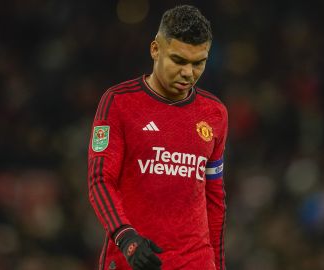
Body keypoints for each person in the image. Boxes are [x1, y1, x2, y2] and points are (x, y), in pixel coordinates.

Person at [87, 5, 228, 270]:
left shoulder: (215, 113)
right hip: (133, 258)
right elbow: (100, 180)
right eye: (179, 60)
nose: (188, 73)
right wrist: (126, 237)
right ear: (155, 49)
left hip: (195, 262)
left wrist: (218, 265)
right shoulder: (119, 102)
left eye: (199, 63)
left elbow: (215, 198)